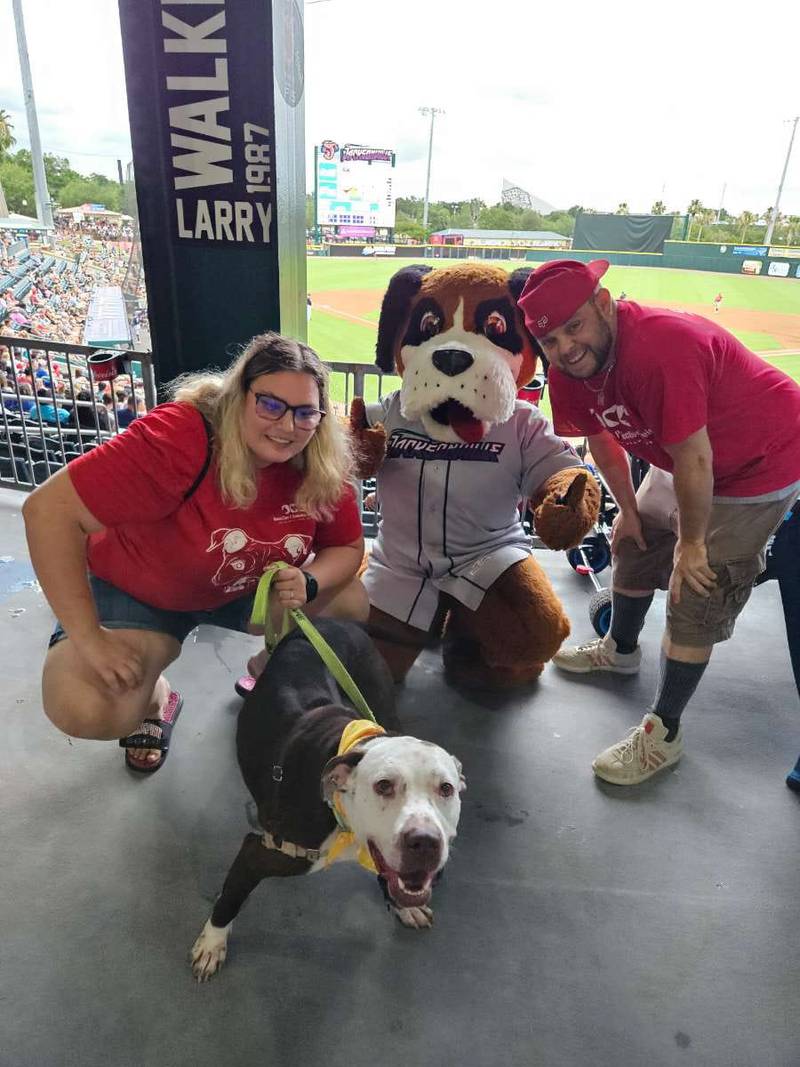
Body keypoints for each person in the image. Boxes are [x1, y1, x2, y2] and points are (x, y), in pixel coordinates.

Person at [23, 333, 368, 773]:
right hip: (140, 588)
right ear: (237, 395)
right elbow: (47, 511)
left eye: (305, 413)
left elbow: (346, 545)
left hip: (243, 587)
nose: (287, 427)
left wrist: (311, 579)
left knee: (349, 603)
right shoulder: (180, 435)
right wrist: (90, 639)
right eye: (270, 404)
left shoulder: (319, 455)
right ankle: (157, 700)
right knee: (84, 705)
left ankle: (270, 665)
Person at [517, 259, 800, 786]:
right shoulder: (567, 371)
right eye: (550, 340)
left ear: (603, 304)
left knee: (696, 587)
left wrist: (692, 544)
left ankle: (663, 733)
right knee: (635, 539)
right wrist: (626, 509)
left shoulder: (660, 347)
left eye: (573, 327)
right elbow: (601, 439)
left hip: (761, 458)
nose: (565, 348)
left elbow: (696, 458)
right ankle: (619, 650)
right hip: (686, 455)